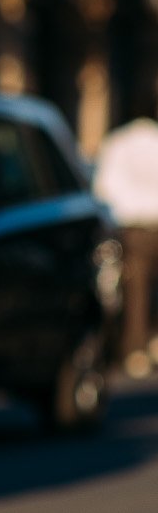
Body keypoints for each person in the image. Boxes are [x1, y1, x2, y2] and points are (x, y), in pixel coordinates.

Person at [92, 115, 158, 375]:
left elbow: (104, 189)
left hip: (133, 228)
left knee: (136, 290)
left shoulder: (117, 143)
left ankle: (135, 350)